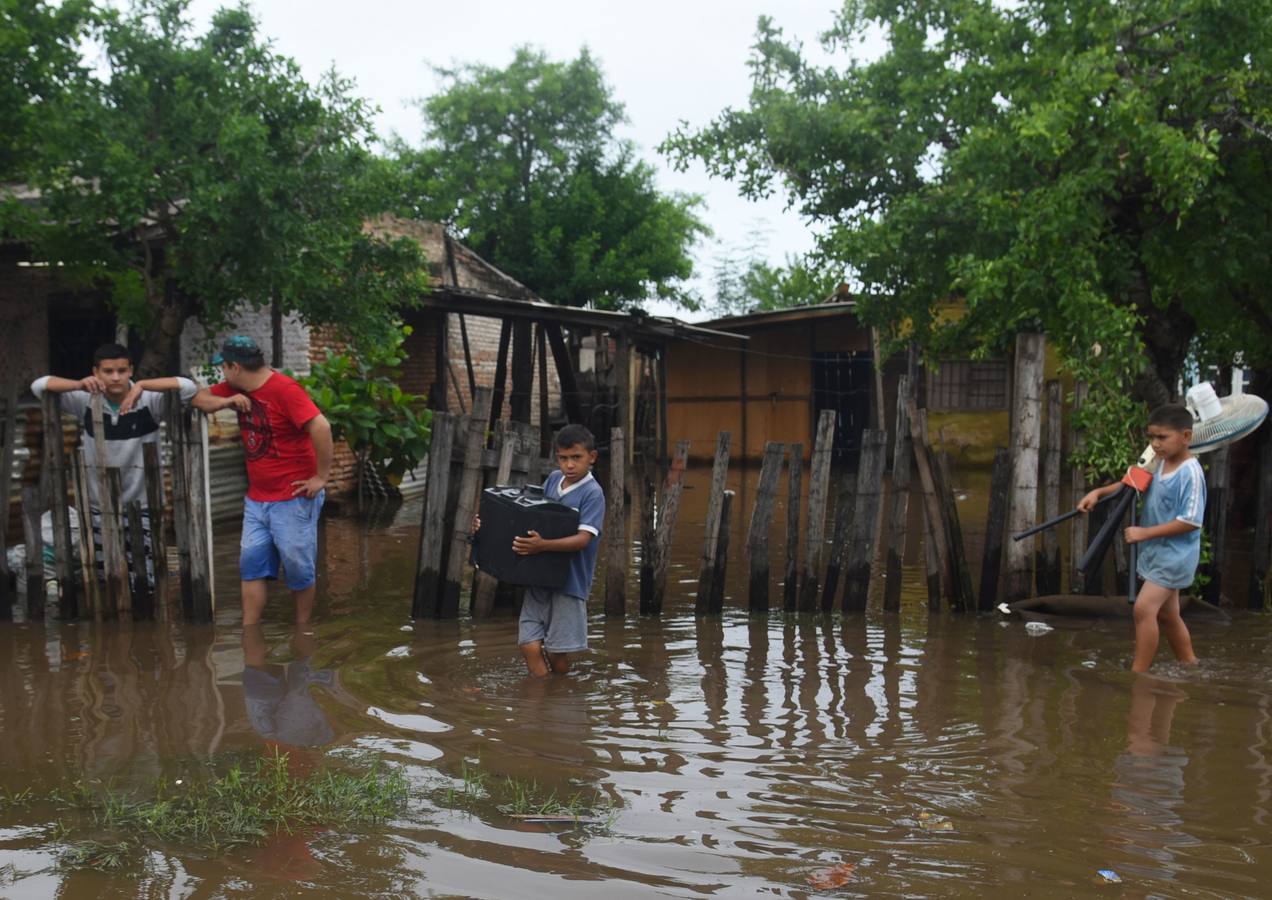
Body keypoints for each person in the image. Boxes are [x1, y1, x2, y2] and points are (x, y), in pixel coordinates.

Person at [30, 342, 202, 586]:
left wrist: (141, 386)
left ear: (131, 370)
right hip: (98, 506)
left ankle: (146, 624)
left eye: (122, 371)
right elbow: (39, 386)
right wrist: (79, 384)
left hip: (143, 505)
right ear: (96, 372)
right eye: (108, 371)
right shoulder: (85, 400)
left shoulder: (150, 401)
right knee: (105, 579)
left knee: (145, 581)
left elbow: (187, 388)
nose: (115, 377)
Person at [194, 335, 333, 626]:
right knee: (252, 566)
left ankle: (302, 628)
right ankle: (250, 630)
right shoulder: (234, 388)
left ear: (235, 366)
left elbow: (321, 426)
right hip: (257, 499)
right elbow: (199, 398)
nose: (223, 374)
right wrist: (227, 401)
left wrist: (321, 477)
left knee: (298, 566)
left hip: (294, 496)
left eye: (224, 367)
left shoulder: (284, 389)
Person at [1079, 404, 1204, 673]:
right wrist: (1099, 492)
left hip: (1175, 556)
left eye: (1162, 438)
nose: (1155, 444)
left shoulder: (1190, 472)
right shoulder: (1158, 461)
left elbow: (1190, 521)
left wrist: (1144, 533)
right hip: (1158, 551)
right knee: (1169, 615)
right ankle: (1191, 665)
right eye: (1152, 437)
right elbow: (1131, 483)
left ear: (1185, 437)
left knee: (1143, 609)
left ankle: (1139, 674)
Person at [475, 424, 605, 677]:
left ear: (592, 457)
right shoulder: (554, 480)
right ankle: (543, 699)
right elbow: (531, 520)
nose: (569, 465)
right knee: (528, 644)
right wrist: (484, 525)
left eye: (576, 458)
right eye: (563, 458)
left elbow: (583, 539)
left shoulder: (592, 493)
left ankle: (559, 698)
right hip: (539, 578)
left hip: (569, 583)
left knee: (558, 651)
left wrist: (543, 545)